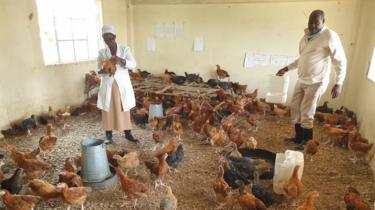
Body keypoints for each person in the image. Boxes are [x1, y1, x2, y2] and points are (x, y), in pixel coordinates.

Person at [276, 10, 347, 149]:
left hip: (317, 81)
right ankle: (298, 138)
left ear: (323, 22)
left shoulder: (329, 36)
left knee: (307, 111)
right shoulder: (305, 37)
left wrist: (339, 82)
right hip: (302, 79)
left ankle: (307, 143)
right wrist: (286, 68)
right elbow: (302, 59)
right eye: (310, 22)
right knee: (295, 108)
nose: (313, 25)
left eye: (317, 22)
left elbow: (340, 61)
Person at [97, 25, 138, 144]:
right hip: (108, 85)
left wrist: (121, 60)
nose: (108, 41)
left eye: (110, 38)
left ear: (114, 37)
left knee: (123, 107)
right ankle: (108, 136)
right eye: (105, 39)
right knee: (107, 109)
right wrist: (104, 70)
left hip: (122, 86)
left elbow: (133, 64)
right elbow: (97, 70)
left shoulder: (125, 49)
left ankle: (128, 133)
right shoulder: (102, 53)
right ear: (103, 39)